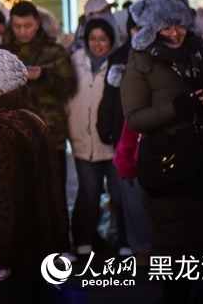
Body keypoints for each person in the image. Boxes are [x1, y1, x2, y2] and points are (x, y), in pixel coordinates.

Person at [122, 0, 203, 303]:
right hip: (167, 164)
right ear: (153, 29)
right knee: (177, 258)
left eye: (180, 25)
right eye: (166, 27)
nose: (175, 33)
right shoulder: (141, 63)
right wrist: (179, 107)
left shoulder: (199, 55)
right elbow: (135, 118)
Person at [0, 49, 69, 303]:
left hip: (12, 255)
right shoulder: (32, 119)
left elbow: (2, 200)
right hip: (38, 248)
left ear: (1, 87)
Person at [4, 0, 77, 190]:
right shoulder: (4, 54)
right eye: (17, 26)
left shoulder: (54, 51)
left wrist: (43, 76)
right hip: (14, 136)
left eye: (27, 26)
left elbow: (68, 86)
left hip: (51, 136)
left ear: (37, 23)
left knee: (53, 193)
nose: (22, 31)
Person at [96, 14, 151, 261]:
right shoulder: (119, 57)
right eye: (135, 29)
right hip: (125, 132)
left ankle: (153, 243)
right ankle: (137, 243)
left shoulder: (159, 54)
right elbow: (109, 96)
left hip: (154, 131)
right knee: (129, 193)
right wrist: (105, 126)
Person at [66, 17, 122, 256]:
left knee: (119, 194)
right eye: (93, 39)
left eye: (103, 39)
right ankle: (84, 239)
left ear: (111, 40)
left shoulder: (118, 63)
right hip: (82, 138)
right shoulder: (74, 61)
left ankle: (124, 239)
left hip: (111, 141)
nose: (97, 44)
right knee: (89, 192)